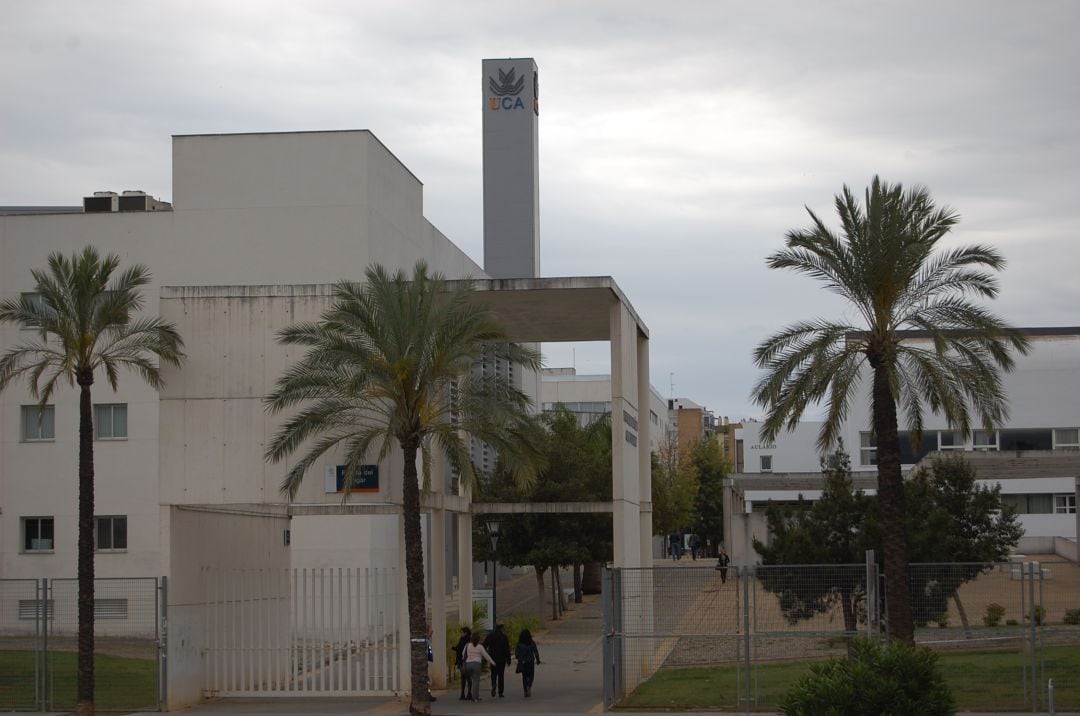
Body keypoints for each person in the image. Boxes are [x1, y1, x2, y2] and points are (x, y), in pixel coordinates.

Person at [462, 631, 496, 701]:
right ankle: (475, 697)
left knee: (470, 680)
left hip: (468, 665)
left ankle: (474, 695)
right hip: (476, 665)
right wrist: (492, 662)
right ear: (479, 639)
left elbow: (463, 654)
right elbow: (486, 655)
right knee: (476, 681)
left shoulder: (467, 645)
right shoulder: (480, 646)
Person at [482, 622, 512, 697]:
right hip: (502, 659)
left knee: (493, 674)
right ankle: (500, 692)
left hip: (492, 658)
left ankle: (494, 685)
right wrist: (508, 660)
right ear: (501, 628)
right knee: (501, 675)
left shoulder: (490, 636)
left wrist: (485, 657)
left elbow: (484, 646)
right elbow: (507, 649)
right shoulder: (504, 637)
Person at [514, 628, 541, 697]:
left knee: (524, 676)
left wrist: (519, 658)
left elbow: (516, 653)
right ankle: (529, 685)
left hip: (523, 662)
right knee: (531, 675)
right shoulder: (532, 642)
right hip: (530, 661)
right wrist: (538, 660)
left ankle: (525, 690)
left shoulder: (519, 644)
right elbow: (536, 652)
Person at [454, 626, 472, 700]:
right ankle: (463, 693)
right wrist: (453, 648)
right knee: (463, 677)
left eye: (462, 632)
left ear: (465, 633)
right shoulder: (462, 639)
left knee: (467, 677)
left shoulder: (469, 641)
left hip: (467, 660)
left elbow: (461, 649)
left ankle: (469, 693)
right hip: (461, 661)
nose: (461, 634)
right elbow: (458, 648)